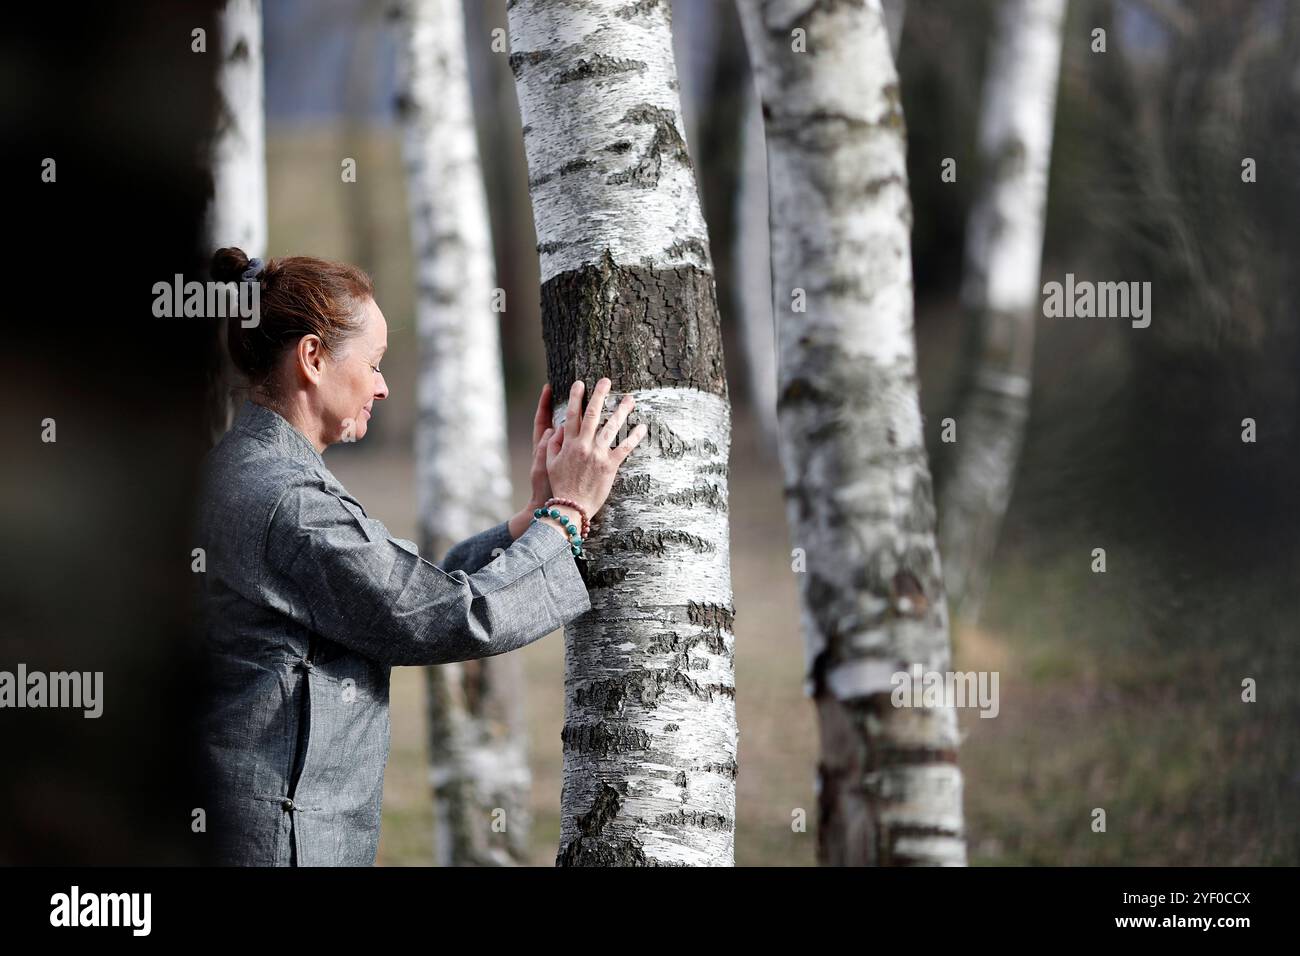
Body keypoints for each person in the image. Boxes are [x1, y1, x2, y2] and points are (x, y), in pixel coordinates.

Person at [195, 247, 646, 866]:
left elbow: (394, 584)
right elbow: (434, 616)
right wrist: (567, 515)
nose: (382, 386)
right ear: (313, 357)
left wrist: (531, 522)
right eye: (374, 364)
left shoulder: (255, 470)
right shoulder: (285, 499)